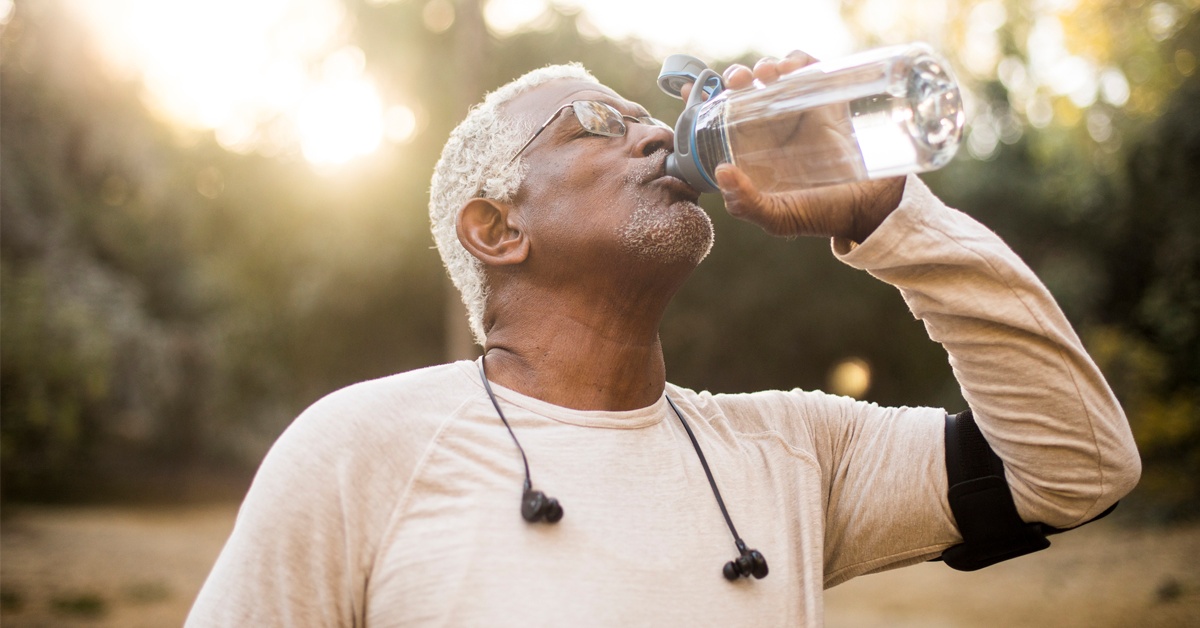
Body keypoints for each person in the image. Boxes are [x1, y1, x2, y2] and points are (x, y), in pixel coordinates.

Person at [185, 52, 1141, 627]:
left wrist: (894, 217)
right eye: (597, 123)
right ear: (497, 231)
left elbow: (1079, 468)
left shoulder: (793, 451)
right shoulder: (362, 448)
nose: (655, 137)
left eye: (653, 116)